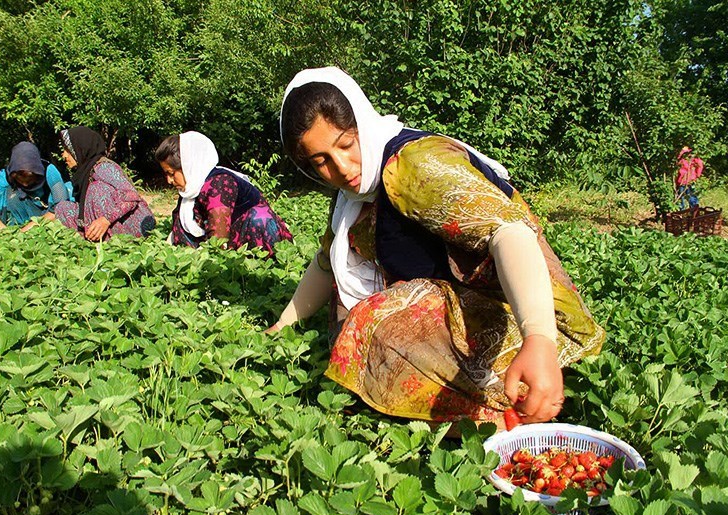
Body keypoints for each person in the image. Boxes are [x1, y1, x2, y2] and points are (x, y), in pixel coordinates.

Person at [266, 66, 606, 433]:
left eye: (347, 145)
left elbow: (510, 234)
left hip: (521, 309)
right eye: (321, 162)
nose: (342, 167)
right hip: (463, 305)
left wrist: (539, 337)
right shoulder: (351, 197)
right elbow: (326, 263)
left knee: (373, 326)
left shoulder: (414, 165)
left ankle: (502, 415)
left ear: (362, 124)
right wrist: (283, 325)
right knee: (348, 316)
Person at [154, 131, 293, 257]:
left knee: (259, 218)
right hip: (231, 240)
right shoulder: (192, 187)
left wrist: (205, 263)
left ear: (188, 166)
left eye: (171, 173)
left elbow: (218, 238)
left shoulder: (219, 183)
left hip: (250, 238)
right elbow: (180, 226)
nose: (169, 180)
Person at [47, 126, 156, 242]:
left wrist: (106, 220)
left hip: (134, 227)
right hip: (107, 223)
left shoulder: (103, 167)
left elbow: (131, 197)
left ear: (79, 149)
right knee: (63, 208)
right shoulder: (84, 174)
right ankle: (90, 241)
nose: (64, 155)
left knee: (96, 189)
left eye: (67, 150)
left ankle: (114, 243)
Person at [0, 141, 73, 231]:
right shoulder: (5, 176)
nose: (25, 184)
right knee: (8, 196)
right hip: (19, 214)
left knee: (69, 190)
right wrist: (7, 233)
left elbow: (61, 205)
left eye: (30, 179)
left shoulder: (49, 170)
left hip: (47, 212)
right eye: (20, 179)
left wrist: (27, 229)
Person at [675, 146, 703, 210]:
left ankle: (693, 210)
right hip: (682, 180)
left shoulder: (693, 159)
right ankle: (681, 211)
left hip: (689, 180)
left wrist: (697, 175)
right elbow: (677, 162)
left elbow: (700, 165)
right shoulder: (682, 159)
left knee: (691, 195)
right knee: (681, 196)